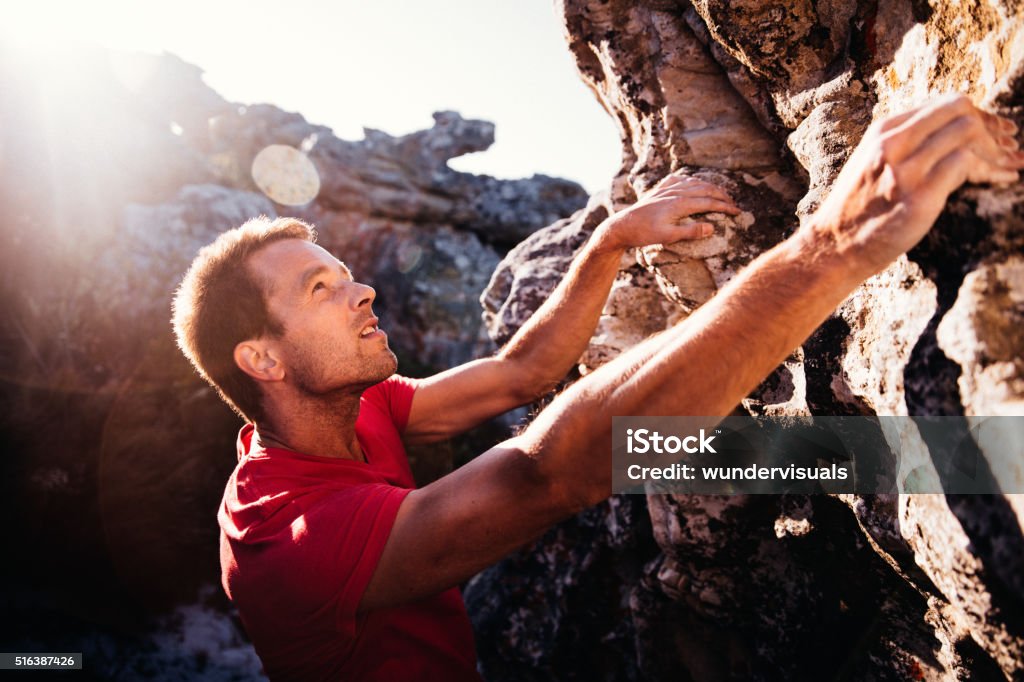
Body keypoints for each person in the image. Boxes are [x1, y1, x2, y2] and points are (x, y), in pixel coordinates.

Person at [171, 95, 1022, 681]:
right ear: (263, 360)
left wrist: (612, 241)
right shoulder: (286, 542)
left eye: (347, 273)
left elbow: (522, 373)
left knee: (692, 452)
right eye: (322, 290)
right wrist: (835, 243)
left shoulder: (353, 407)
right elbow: (547, 474)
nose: (362, 291)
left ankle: (960, 458)